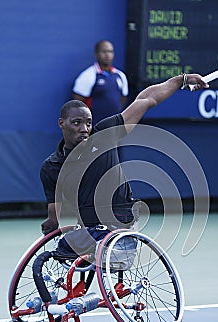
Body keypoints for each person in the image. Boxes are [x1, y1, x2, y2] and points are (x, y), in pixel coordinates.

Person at [39, 73, 208, 261]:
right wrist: (50, 224)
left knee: (72, 246)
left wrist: (180, 80)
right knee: (62, 249)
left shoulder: (104, 135)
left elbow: (145, 99)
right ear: (62, 124)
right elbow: (54, 214)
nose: (84, 129)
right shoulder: (50, 168)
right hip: (89, 230)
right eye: (76, 123)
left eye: (88, 123)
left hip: (120, 220)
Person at [71, 40, 129, 125]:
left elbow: (122, 100)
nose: (107, 55)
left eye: (110, 52)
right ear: (96, 54)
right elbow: (77, 103)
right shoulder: (88, 75)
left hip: (115, 128)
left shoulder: (120, 75)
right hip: (95, 127)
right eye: (104, 52)